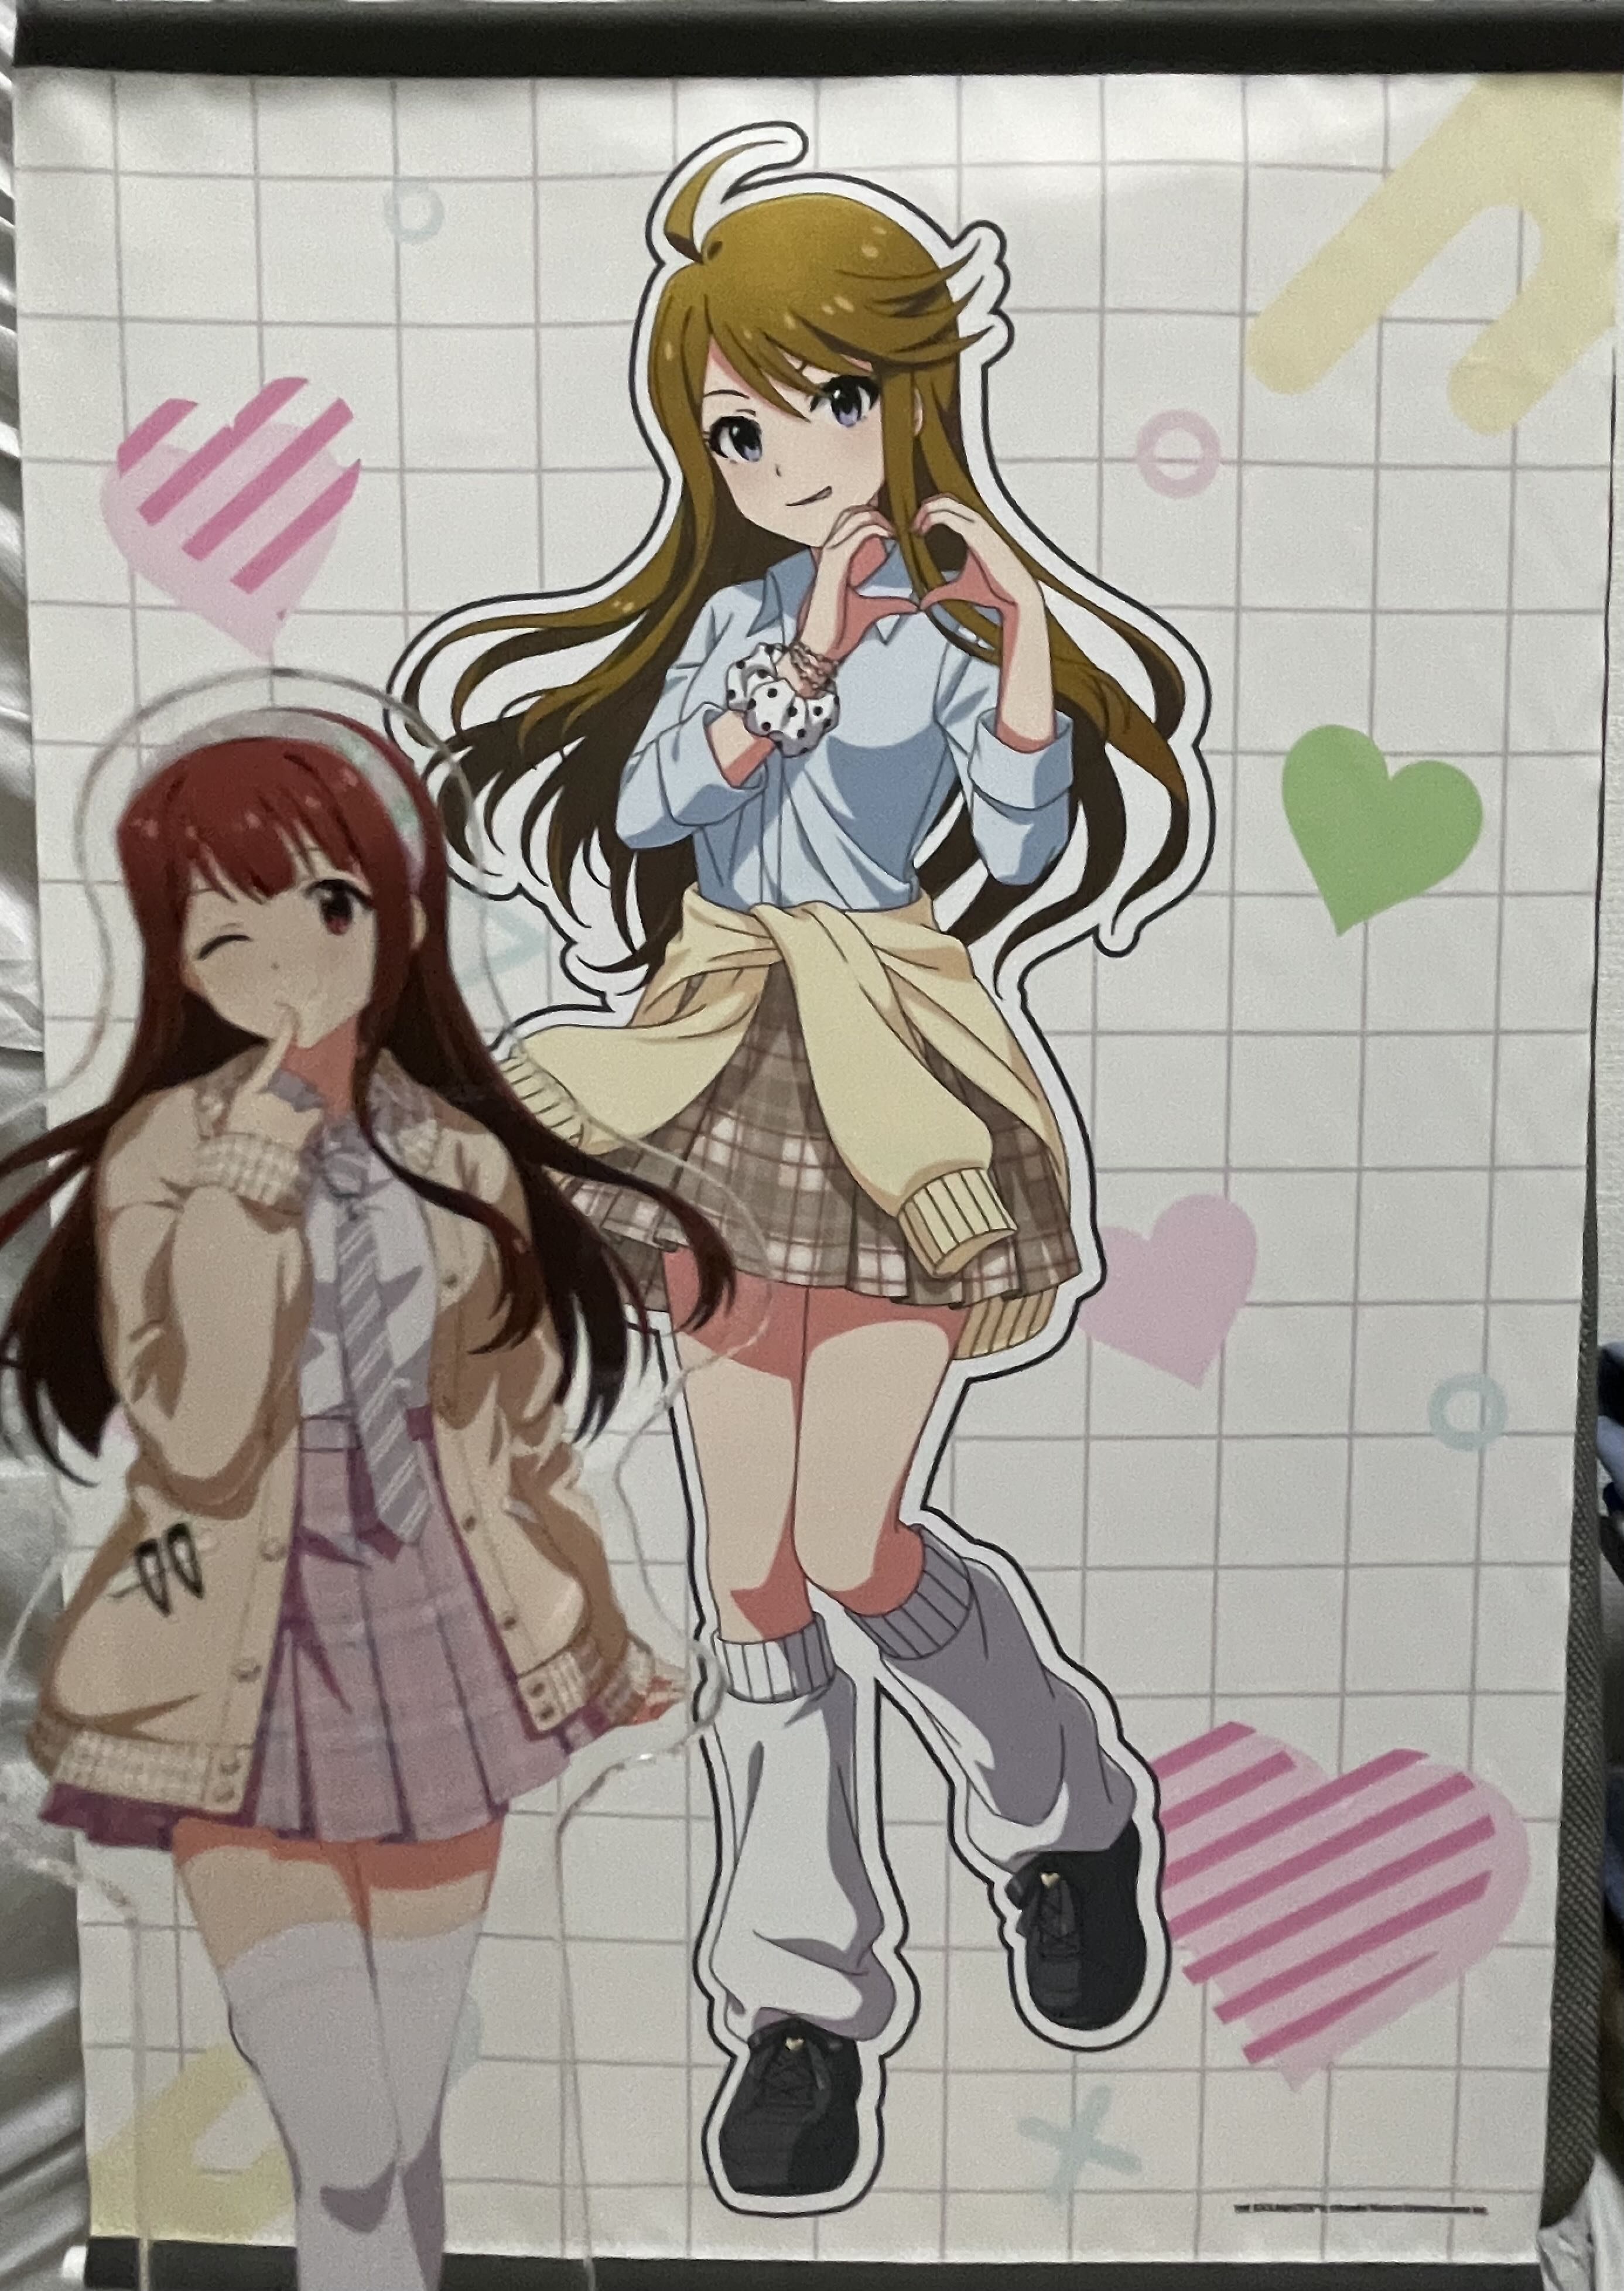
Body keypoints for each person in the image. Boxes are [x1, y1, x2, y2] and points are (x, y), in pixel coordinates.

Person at [397, 129, 1211, 2213]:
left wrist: (1014, 656)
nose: (784, 458)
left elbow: (1016, 846)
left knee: (853, 1544)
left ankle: (1062, 1806)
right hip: (713, 1054)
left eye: (826, 404)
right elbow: (664, 800)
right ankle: (798, 2002)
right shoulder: (750, 615)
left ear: (904, 397)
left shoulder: (955, 619)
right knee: (748, 1577)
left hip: (893, 1063)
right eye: (740, 428)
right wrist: (807, 655)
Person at [0, 708, 729, 2288]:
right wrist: (252, 1173)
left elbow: (517, 1439)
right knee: (341, 2126)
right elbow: (197, 1433)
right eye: (226, 932)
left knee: (400, 2124)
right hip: (231, 1632)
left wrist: (600, 1631)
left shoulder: (457, 1154)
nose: (284, 966)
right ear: (179, 963)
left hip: (444, 1617)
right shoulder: (167, 1154)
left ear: (392, 917)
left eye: (325, 907)